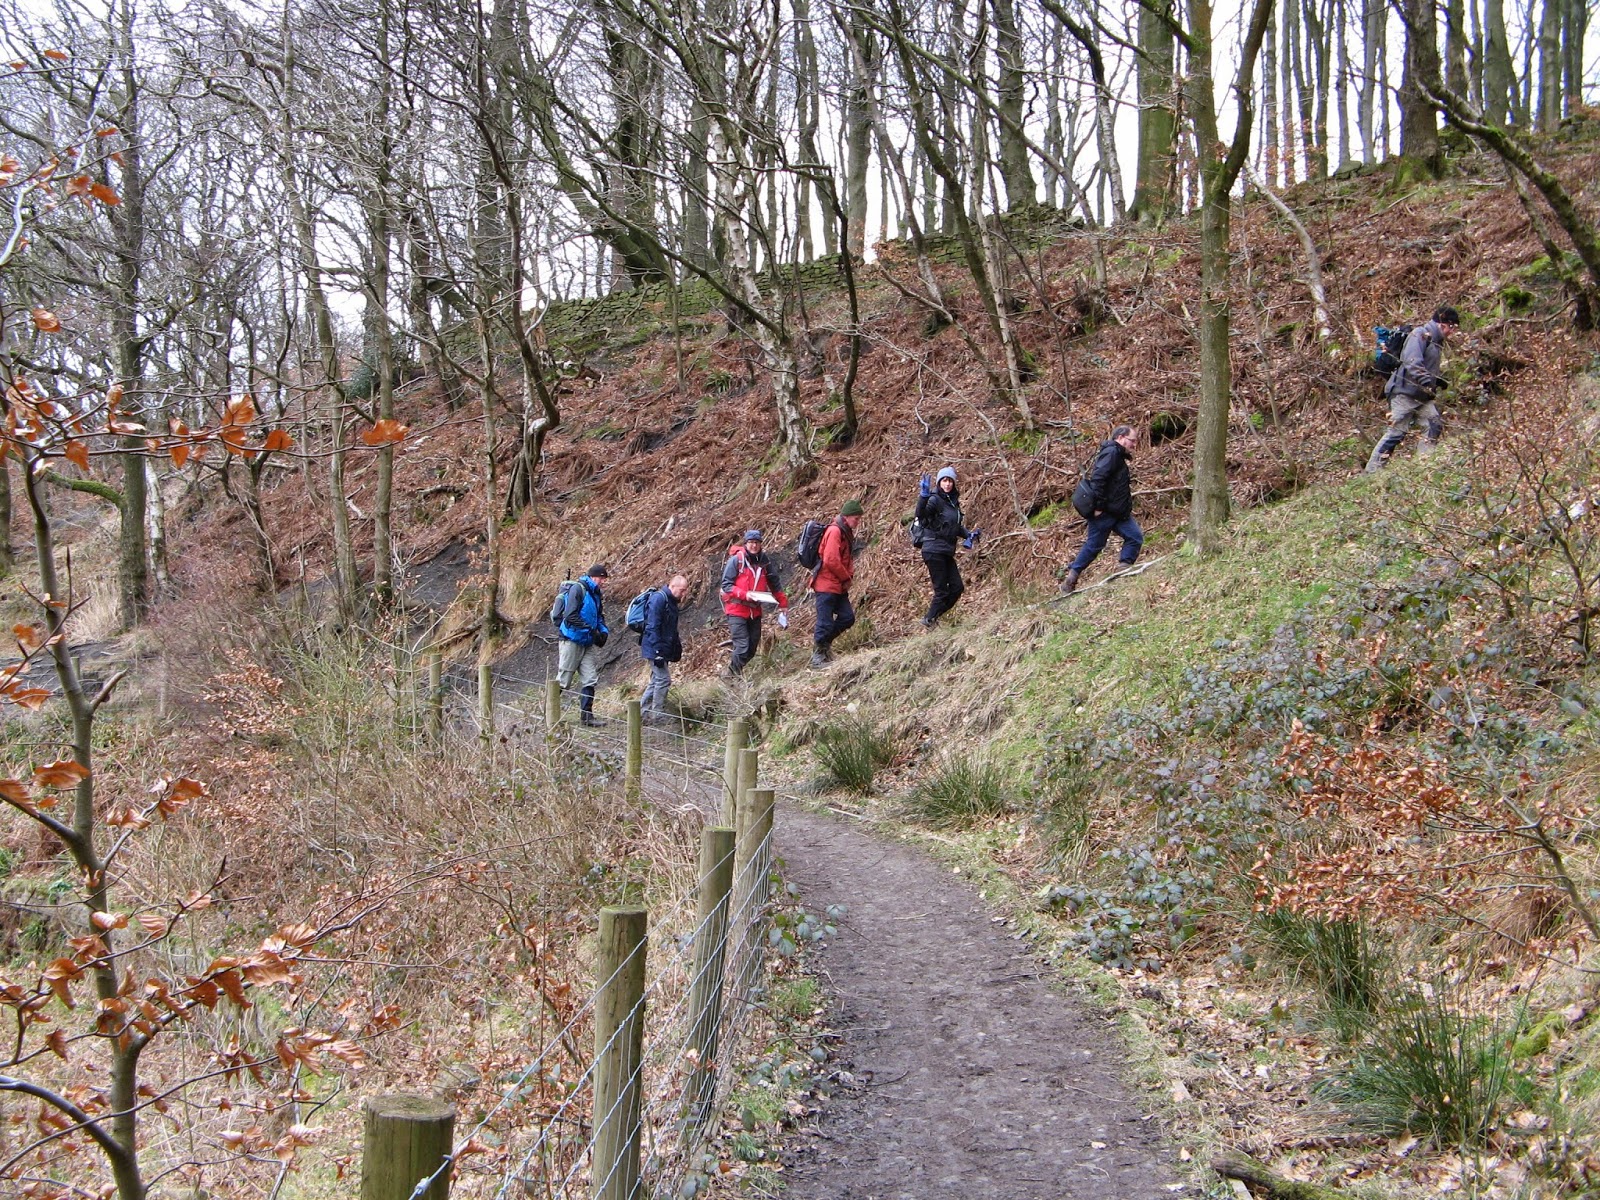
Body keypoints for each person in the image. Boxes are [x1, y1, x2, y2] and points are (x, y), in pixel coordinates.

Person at [1366, 305, 1460, 473]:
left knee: (1433, 424)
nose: (1452, 332)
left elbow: (1424, 366)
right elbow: (1412, 362)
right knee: (1396, 433)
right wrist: (1426, 381)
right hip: (1403, 393)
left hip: (1421, 395)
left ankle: (1424, 464)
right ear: (1443, 324)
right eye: (1452, 328)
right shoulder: (1420, 335)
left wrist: (1436, 382)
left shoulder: (1436, 342)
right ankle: (1372, 471)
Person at [1062, 426, 1142, 595]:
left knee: (1135, 537)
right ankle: (1071, 578)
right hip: (1105, 511)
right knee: (1094, 545)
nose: (1134, 444)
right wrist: (1097, 506)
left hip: (1119, 512)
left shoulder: (1117, 455)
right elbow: (1098, 478)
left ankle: (1123, 569)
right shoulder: (1111, 453)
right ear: (1121, 437)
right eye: (1132, 440)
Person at [915, 467, 980, 629]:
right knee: (942, 591)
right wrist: (923, 497)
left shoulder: (953, 501)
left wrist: (968, 535)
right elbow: (921, 515)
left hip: (946, 550)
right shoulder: (934, 499)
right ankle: (929, 619)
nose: (947, 484)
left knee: (957, 587)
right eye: (944, 480)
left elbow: (954, 526)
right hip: (933, 549)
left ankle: (931, 618)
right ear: (938, 482)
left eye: (950, 480)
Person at [720, 530, 790, 675]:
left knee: (752, 648)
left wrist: (783, 604)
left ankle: (735, 673)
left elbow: (774, 583)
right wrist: (745, 594)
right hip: (736, 609)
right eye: (751, 542)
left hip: (755, 611)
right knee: (742, 646)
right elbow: (726, 585)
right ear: (745, 544)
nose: (754, 546)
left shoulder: (764, 561)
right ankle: (730, 677)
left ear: (760, 544)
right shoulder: (736, 561)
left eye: (757, 543)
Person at [811, 500, 863, 668]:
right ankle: (818, 656)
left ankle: (824, 645)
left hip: (837, 586)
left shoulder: (845, 532)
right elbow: (830, 560)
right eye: (856, 518)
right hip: (826, 585)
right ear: (846, 517)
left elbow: (845, 558)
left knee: (847, 617)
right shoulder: (834, 531)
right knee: (824, 622)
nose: (858, 522)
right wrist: (846, 577)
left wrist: (847, 577)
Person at [558, 563, 610, 726]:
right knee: (564, 680)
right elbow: (570, 616)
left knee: (590, 679)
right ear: (594, 577)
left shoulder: (595, 594)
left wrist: (603, 632)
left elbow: (599, 617)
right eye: (602, 579)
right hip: (571, 640)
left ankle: (587, 717)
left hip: (586, 642)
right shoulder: (578, 590)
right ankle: (548, 713)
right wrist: (590, 630)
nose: (604, 582)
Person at [640, 574, 688, 723]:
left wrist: (675, 647)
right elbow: (652, 625)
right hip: (655, 647)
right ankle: (657, 714)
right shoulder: (659, 599)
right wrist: (658, 651)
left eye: (685, 590)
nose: (684, 594)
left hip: (661, 647)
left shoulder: (671, 601)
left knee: (656, 680)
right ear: (672, 586)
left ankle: (643, 713)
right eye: (682, 590)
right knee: (663, 679)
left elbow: (670, 628)